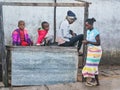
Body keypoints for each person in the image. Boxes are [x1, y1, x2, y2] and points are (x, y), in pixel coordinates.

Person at [82, 18, 102, 86]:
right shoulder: (88, 31)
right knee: (93, 66)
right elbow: (89, 41)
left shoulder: (95, 32)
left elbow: (98, 43)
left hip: (96, 50)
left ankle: (93, 80)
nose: (86, 27)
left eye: (87, 25)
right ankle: (97, 82)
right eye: (85, 25)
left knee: (91, 65)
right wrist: (86, 42)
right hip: (91, 50)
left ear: (91, 25)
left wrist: (88, 42)